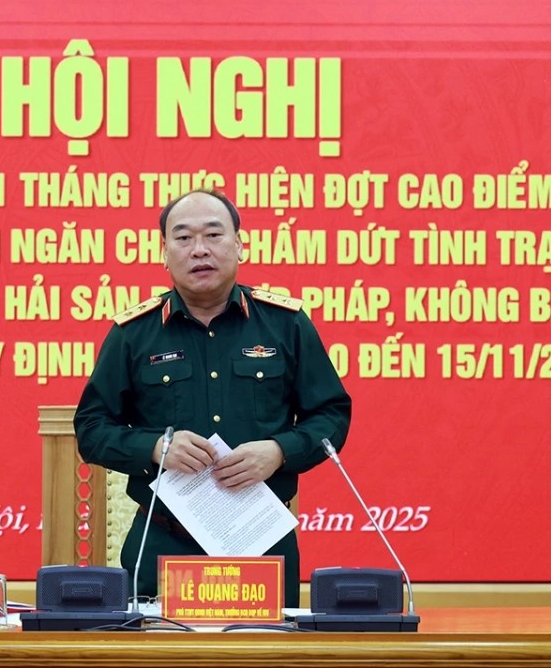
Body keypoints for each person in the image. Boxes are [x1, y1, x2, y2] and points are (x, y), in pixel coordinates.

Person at [73, 189, 352, 607]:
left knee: (266, 647)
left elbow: (331, 414)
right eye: (183, 238)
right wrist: (155, 448)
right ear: (164, 252)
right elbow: (91, 429)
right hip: (163, 540)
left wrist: (280, 451)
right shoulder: (134, 333)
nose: (199, 249)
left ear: (239, 245)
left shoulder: (285, 325)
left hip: (260, 539)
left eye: (213, 235)